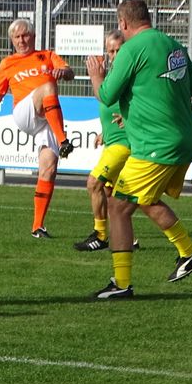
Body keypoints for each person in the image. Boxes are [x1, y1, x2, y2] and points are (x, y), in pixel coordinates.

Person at [86, 0, 192, 299]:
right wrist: (138, 112)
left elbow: (107, 94)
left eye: (119, 25)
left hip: (156, 145)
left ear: (124, 23)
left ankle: (121, 283)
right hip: (184, 138)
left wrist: (96, 75)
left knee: (116, 205)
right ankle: (188, 253)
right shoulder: (174, 45)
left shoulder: (131, 49)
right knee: (142, 199)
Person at [0, 18, 75, 238]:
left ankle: (37, 226)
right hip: (25, 112)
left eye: (25, 35)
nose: (22, 40)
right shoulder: (7, 63)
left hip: (47, 119)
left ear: (33, 36)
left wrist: (64, 73)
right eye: (17, 37)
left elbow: (68, 71)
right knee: (48, 85)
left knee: (49, 168)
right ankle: (64, 141)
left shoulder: (47, 55)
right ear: (12, 40)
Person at [73, 30, 138, 253]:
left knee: (94, 183)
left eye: (119, 49)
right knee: (114, 195)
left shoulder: (129, 75)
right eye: (111, 50)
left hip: (124, 143)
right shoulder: (112, 75)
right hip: (112, 141)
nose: (115, 54)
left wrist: (130, 120)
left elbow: (140, 102)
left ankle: (100, 235)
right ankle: (130, 238)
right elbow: (111, 106)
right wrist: (104, 131)